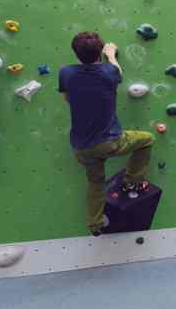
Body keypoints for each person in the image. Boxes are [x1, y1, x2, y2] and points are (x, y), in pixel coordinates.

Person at [59, 32, 154, 236]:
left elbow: (66, 97)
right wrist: (110, 54)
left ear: (76, 54)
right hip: (110, 141)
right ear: (98, 53)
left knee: (95, 183)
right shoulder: (109, 72)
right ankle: (132, 182)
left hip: (81, 148)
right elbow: (117, 72)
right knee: (147, 139)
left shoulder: (66, 72)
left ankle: (95, 224)